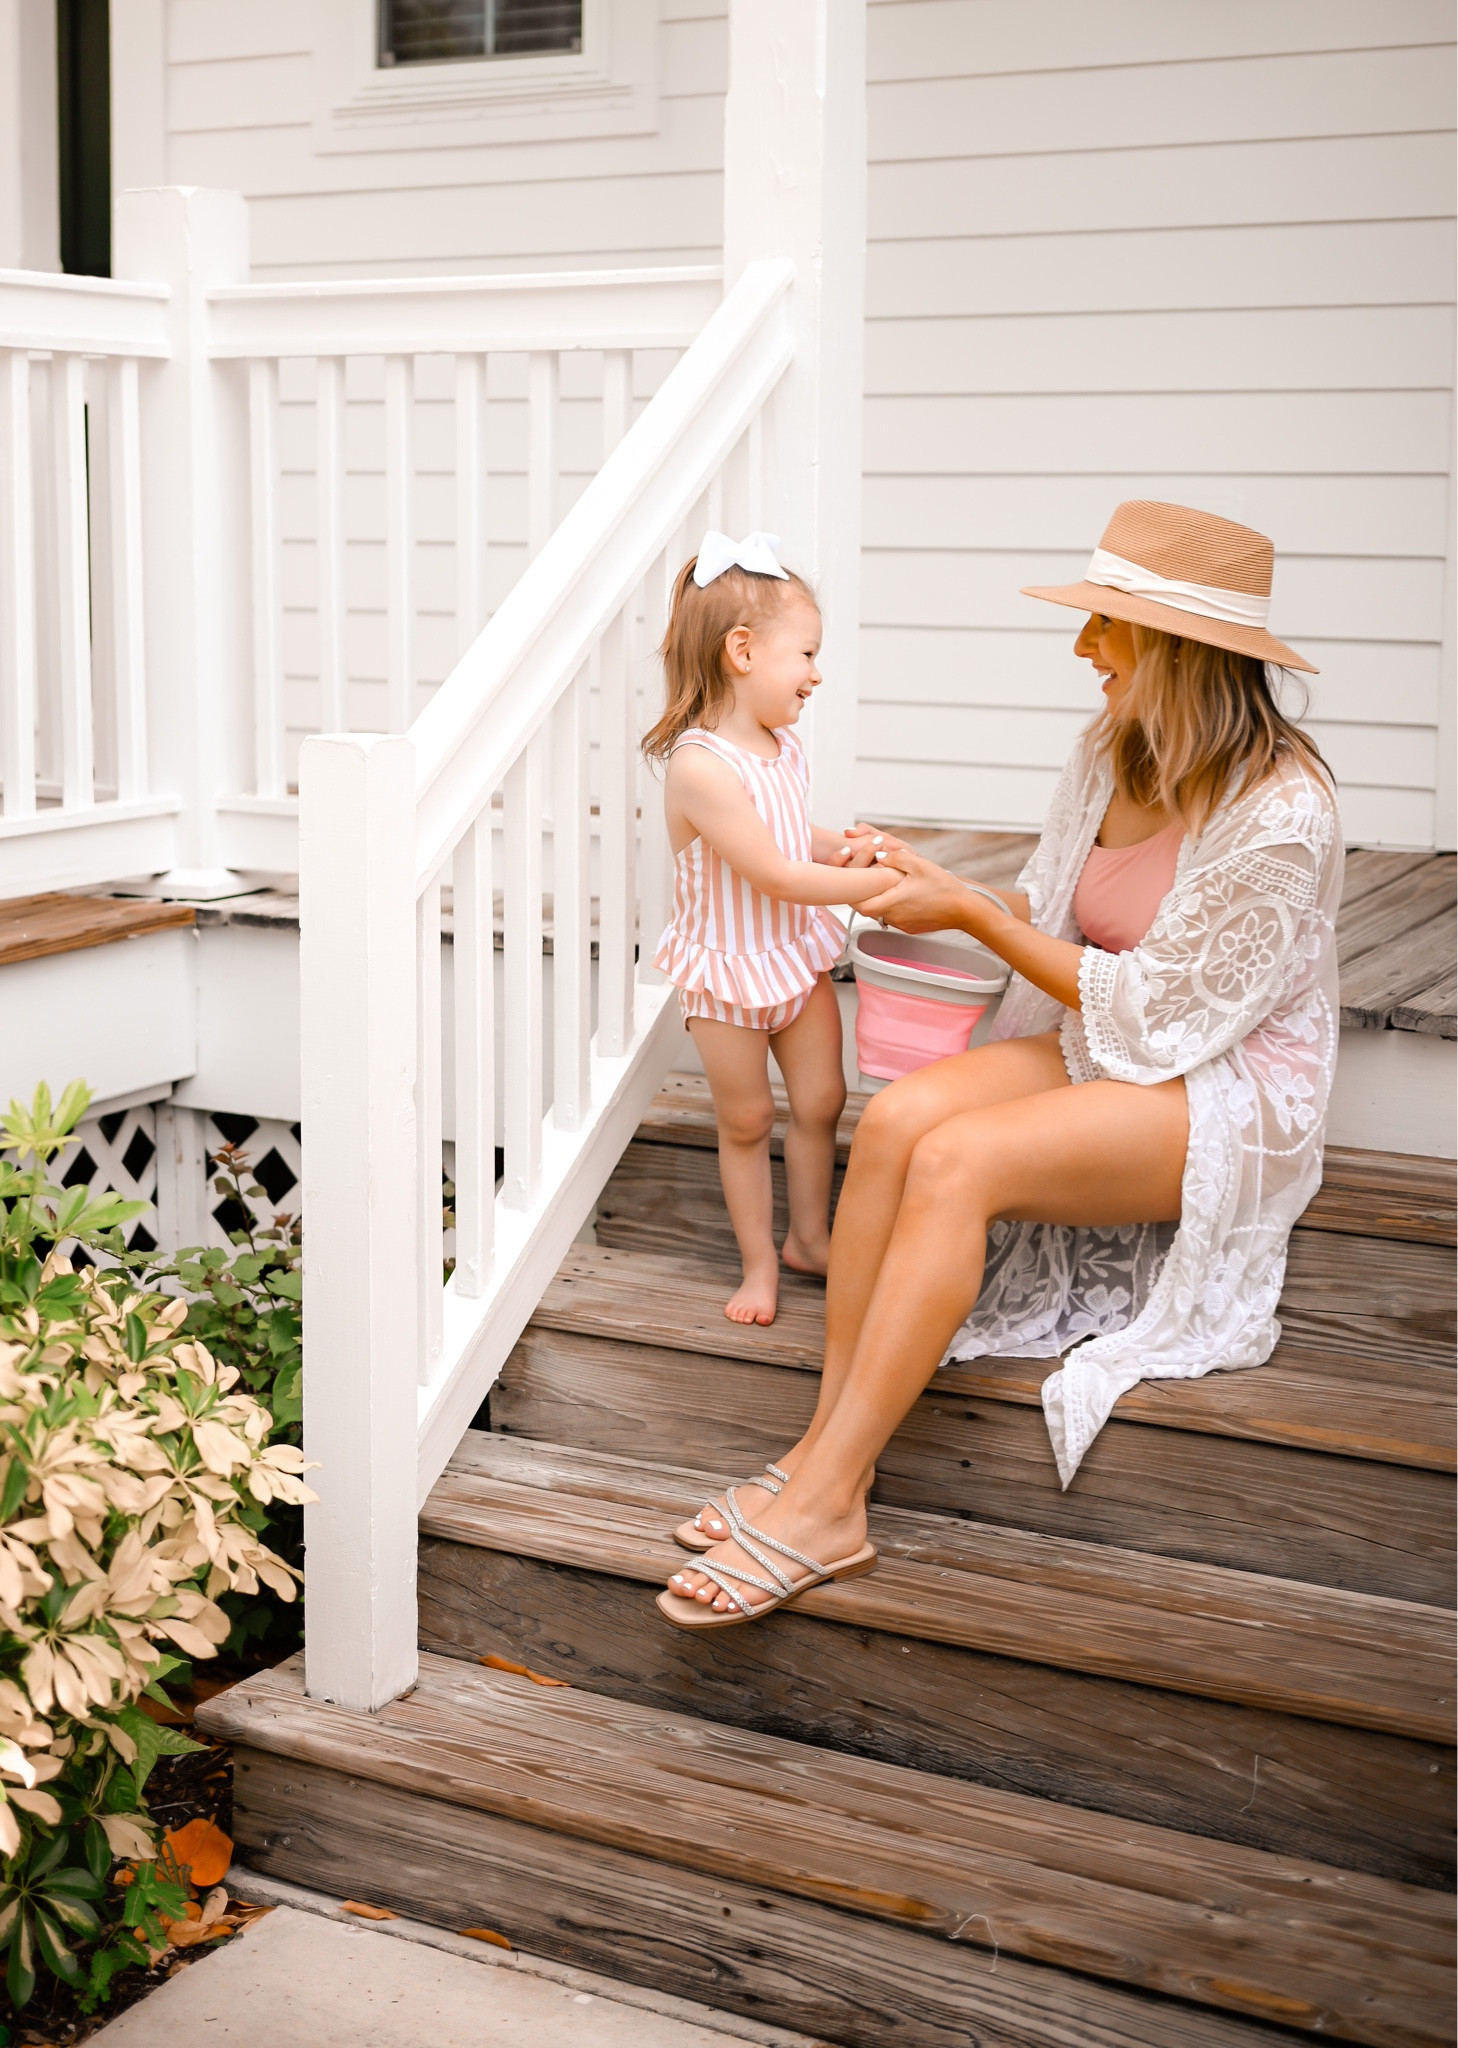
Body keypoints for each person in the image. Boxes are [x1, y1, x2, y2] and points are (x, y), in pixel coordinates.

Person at [661, 500, 1341, 1631]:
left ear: (1177, 649)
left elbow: (1170, 1006)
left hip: (1221, 1079)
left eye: (1105, 629)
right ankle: (833, 1452)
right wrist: (938, 879)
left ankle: (828, 1506)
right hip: (1110, 1034)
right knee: (895, 1119)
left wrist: (970, 913)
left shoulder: (1283, 810)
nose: (1085, 651)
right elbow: (1050, 905)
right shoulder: (1108, 750)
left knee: (959, 1160)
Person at [645, 530, 896, 1333]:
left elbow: (794, 840)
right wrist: (878, 886)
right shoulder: (701, 767)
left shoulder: (779, 748)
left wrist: (846, 846)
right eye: (807, 655)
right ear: (743, 652)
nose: (816, 675)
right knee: (747, 1120)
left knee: (822, 1100)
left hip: (794, 958)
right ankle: (759, 1262)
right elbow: (775, 876)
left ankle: (809, 1239)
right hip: (728, 978)